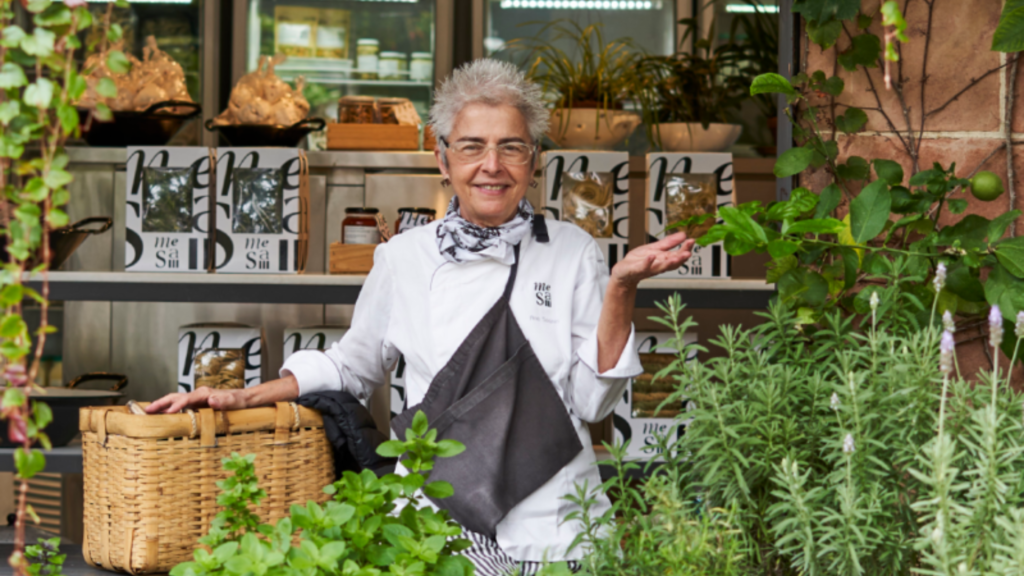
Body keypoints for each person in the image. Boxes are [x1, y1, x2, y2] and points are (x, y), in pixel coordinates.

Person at [147, 59, 695, 575]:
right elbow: (352, 368)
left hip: (556, 527)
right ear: (443, 159)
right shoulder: (404, 257)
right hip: (436, 527)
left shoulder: (574, 251)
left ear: (535, 161)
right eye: (472, 147)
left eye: (511, 148)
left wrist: (622, 288)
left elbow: (592, 402)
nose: (491, 166)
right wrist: (242, 396)